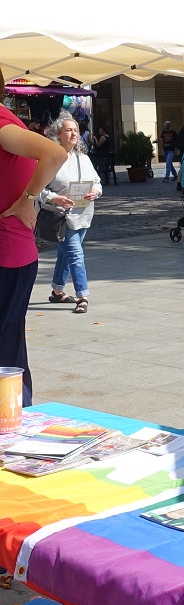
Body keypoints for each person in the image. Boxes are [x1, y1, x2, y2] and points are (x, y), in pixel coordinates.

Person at [0, 69, 67, 408]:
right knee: (8, 344)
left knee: (6, 347)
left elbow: (55, 154)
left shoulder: (2, 123)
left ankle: (13, 418)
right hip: (11, 253)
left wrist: (28, 200)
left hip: (8, 254)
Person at [38, 112, 103, 316]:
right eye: (69, 130)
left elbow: (98, 182)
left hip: (83, 214)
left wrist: (96, 192)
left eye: (76, 130)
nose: (74, 133)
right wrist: (55, 198)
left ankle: (57, 290)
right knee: (75, 254)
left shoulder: (82, 157)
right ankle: (82, 295)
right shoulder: (51, 158)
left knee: (64, 254)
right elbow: (37, 188)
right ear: (58, 133)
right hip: (61, 217)